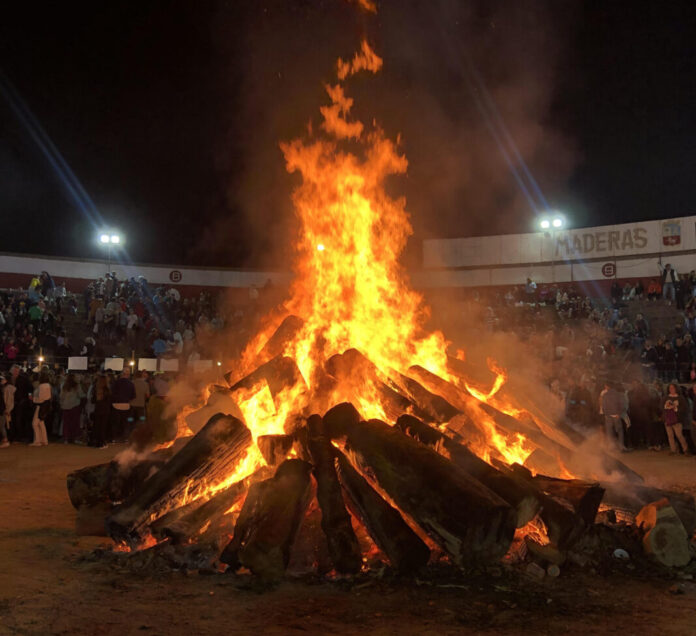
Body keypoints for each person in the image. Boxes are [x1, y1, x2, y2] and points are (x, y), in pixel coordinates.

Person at [663, 383, 691, 455]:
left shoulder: (680, 398)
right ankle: (673, 449)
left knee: (679, 435)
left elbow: (684, 408)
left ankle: (685, 449)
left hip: (677, 419)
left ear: (676, 389)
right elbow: (661, 406)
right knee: (670, 435)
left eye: (673, 388)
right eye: (670, 388)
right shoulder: (666, 397)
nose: (671, 389)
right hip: (668, 419)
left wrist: (676, 409)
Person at [601, 381, 628, 451]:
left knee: (609, 432)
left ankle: (611, 446)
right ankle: (621, 446)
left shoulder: (605, 395)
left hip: (608, 416)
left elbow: (604, 406)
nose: (605, 387)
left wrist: (606, 414)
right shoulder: (618, 394)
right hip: (617, 415)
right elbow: (622, 405)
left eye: (605, 386)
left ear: (607, 386)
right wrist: (619, 413)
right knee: (619, 431)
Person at [111, 367, 135, 442]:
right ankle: (124, 438)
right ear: (128, 375)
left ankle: (113, 438)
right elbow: (133, 396)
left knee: (115, 423)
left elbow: (112, 393)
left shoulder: (116, 382)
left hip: (116, 404)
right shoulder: (131, 384)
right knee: (125, 423)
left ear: (122, 374)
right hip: (126, 405)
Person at [60, 373, 83, 443]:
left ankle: (66, 438)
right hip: (74, 405)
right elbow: (81, 394)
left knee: (66, 423)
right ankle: (75, 438)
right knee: (75, 423)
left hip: (65, 406)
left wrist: (61, 403)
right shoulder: (77, 385)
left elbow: (61, 396)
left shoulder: (64, 386)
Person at [31, 371, 51, 446]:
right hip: (44, 406)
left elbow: (41, 398)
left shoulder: (42, 386)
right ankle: (44, 440)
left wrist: (33, 399)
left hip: (40, 406)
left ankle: (37, 441)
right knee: (41, 423)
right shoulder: (47, 385)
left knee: (35, 423)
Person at [91, 375, 111, 448]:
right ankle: (101, 443)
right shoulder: (107, 390)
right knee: (103, 427)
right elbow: (109, 400)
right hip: (105, 410)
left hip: (97, 409)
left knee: (96, 426)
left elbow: (92, 400)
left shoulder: (95, 389)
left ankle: (95, 442)